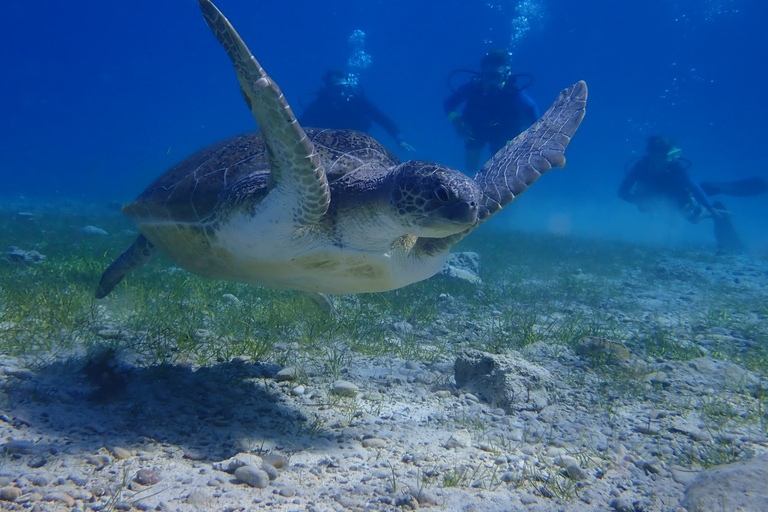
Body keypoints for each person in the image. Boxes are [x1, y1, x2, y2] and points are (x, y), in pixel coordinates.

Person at [618, 135, 745, 252]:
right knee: (672, 221)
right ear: (654, 155)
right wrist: (640, 202)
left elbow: (693, 187)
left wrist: (710, 207)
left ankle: (715, 206)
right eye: (670, 155)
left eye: (676, 154)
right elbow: (622, 192)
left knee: (693, 218)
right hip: (653, 200)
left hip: (678, 197)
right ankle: (709, 191)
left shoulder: (675, 167)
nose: (673, 159)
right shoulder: (640, 167)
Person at [444, 49, 539, 173]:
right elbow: (448, 104)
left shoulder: (514, 93)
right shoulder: (472, 88)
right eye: (489, 76)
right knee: (470, 167)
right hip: (476, 130)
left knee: (501, 171)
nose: (493, 82)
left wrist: (534, 138)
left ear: (506, 75)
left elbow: (532, 109)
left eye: (497, 76)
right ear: (482, 74)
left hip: (504, 134)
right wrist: (457, 121)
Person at [300, 69, 415, 152]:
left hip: (357, 147)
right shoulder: (318, 106)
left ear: (349, 88)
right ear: (327, 90)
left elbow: (383, 120)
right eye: (336, 89)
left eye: (344, 89)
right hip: (323, 147)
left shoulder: (358, 102)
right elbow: (298, 128)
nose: (341, 93)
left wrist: (400, 140)